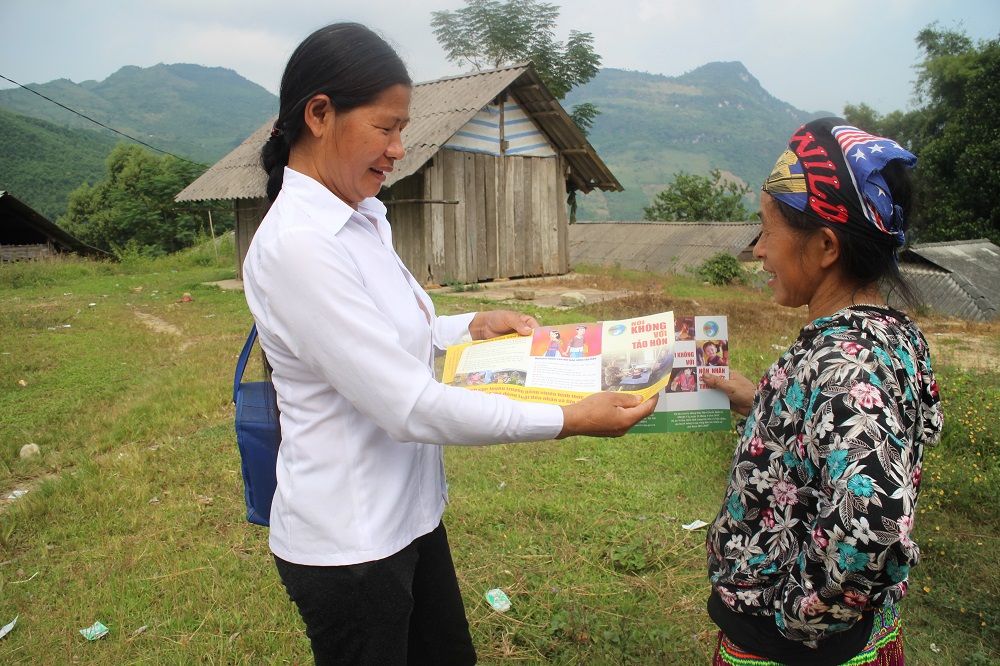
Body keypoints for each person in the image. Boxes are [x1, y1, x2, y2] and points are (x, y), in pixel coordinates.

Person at [242, 23, 656, 666]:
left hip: (408, 518)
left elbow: (394, 336)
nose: (399, 149)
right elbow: (407, 404)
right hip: (352, 547)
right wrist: (569, 419)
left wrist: (469, 326)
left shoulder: (360, 219)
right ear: (319, 114)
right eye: (386, 128)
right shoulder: (300, 244)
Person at [702, 118, 942, 666]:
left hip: (792, 649)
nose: (758, 249)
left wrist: (796, 618)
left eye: (768, 229)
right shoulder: (892, 336)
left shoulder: (841, 363)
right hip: (860, 634)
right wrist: (761, 403)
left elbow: (874, 515)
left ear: (826, 245)